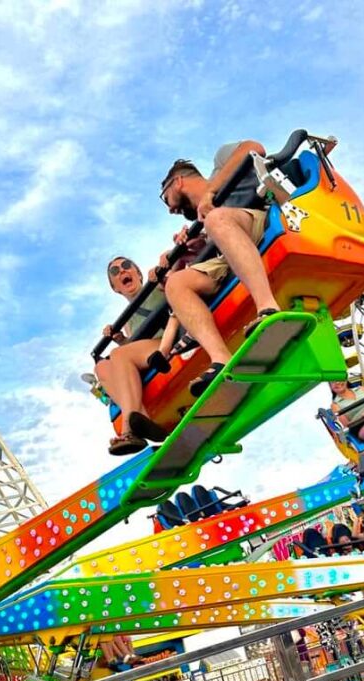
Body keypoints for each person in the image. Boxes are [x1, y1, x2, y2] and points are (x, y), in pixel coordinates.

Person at [158, 141, 283, 397]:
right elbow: (218, 244)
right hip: (228, 249)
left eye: (166, 198)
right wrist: (191, 249)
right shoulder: (204, 222)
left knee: (217, 218)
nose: (170, 209)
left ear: (178, 181)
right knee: (177, 283)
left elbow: (254, 147)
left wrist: (210, 194)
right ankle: (221, 360)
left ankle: (268, 308)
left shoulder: (221, 163)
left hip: (259, 219)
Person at [95, 256, 178, 455]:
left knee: (117, 354)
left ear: (138, 273)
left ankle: (129, 429)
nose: (122, 271)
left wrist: (161, 274)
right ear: (115, 288)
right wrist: (121, 339)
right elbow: (132, 349)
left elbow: (173, 278)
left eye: (126, 266)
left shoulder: (154, 286)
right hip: (145, 353)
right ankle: (140, 415)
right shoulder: (126, 318)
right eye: (115, 272)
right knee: (101, 367)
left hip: (168, 340)